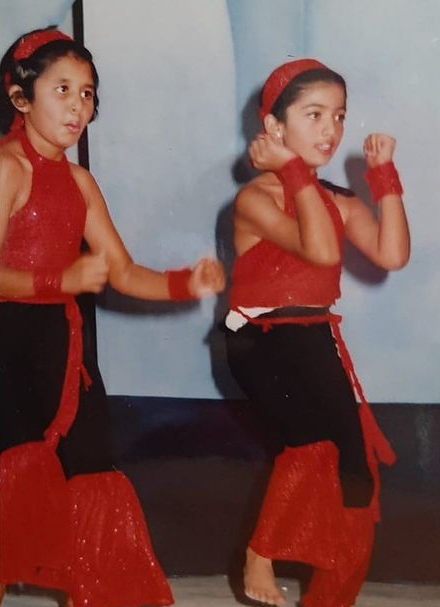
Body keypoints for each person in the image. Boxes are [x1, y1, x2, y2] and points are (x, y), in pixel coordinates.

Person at [0, 28, 225, 607]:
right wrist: (58, 280)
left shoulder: (78, 182)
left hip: (64, 351)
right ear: (20, 97)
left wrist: (183, 282)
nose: (80, 106)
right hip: (7, 347)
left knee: (91, 470)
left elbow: (121, 270)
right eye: (64, 90)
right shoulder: (6, 168)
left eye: (89, 94)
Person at [224, 58, 410, 607]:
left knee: (357, 479)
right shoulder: (255, 199)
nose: (330, 130)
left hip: (315, 339)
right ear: (274, 128)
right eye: (314, 114)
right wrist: (295, 172)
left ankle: (329, 600)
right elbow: (322, 249)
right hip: (263, 341)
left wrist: (384, 176)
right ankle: (261, 552)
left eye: (339, 116)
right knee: (315, 448)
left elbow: (392, 253)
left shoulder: (336, 200)